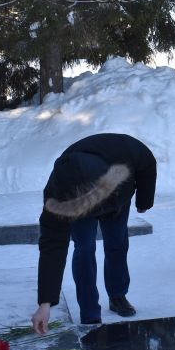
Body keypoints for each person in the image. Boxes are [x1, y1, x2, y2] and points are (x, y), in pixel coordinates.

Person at [31, 133, 156, 333]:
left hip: (117, 199)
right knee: (85, 248)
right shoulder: (58, 196)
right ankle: (89, 311)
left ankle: (117, 296)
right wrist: (45, 303)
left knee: (117, 243)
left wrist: (144, 200)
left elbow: (147, 162)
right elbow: (52, 247)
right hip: (82, 203)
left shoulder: (124, 151)